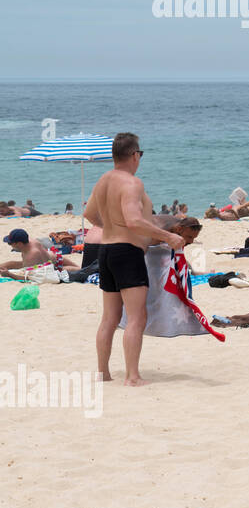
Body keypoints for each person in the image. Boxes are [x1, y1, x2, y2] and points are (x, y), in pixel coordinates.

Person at [84, 132, 186, 386]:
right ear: (134, 155)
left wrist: (114, 227)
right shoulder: (132, 183)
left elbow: (89, 214)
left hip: (106, 251)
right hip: (126, 254)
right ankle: (132, 376)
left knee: (109, 318)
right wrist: (168, 237)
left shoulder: (104, 180)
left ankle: (103, 373)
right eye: (139, 154)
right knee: (137, 316)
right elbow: (133, 220)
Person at [1, 229, 76, 271]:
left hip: (55, 267)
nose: (10, 245)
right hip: (56, 257)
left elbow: (30, 278)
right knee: (13, 264)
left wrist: (9, 275)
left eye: (10, 243)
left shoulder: (32, 256)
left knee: (80, 270)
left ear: (20, 244)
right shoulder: (29, 240)